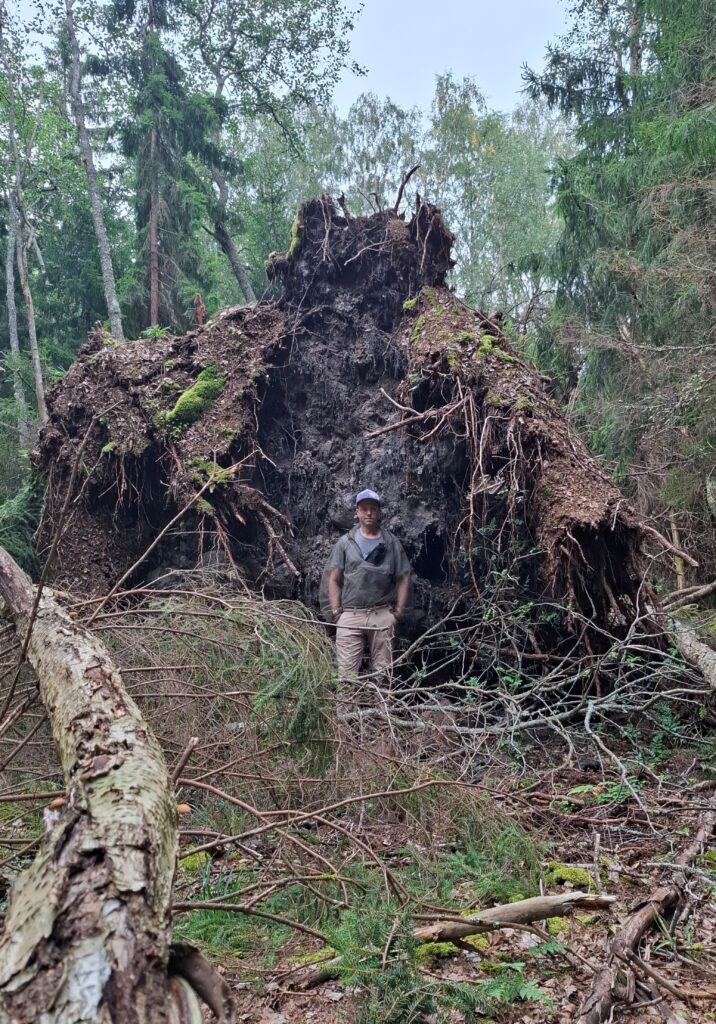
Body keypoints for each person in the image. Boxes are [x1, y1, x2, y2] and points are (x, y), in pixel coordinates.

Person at [325, 489, 411, 683]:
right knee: (346, 677)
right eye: (364, 509)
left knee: (383, 675)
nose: (369, 513)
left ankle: (381, 713)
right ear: (357, 512)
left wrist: (397, 613)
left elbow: (404, 577)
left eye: (373, 508)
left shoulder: (391, 543)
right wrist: (337, 612)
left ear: (379, 512)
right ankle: (346, 714)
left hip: (381, 616)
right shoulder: (345, 543)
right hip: (350, 616)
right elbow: (333, 578)